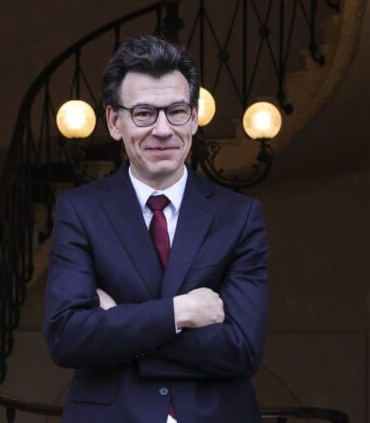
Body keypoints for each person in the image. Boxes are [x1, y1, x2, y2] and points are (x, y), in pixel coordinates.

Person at [44, 34, 269, 422]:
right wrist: (180, 313)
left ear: (194, 117)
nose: (163, 130)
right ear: (114, 121)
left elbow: (242, 348)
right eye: (144, 113)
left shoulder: (239, 216)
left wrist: (119, 321)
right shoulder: (79, 211)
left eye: (177, 111)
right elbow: (67, 337)